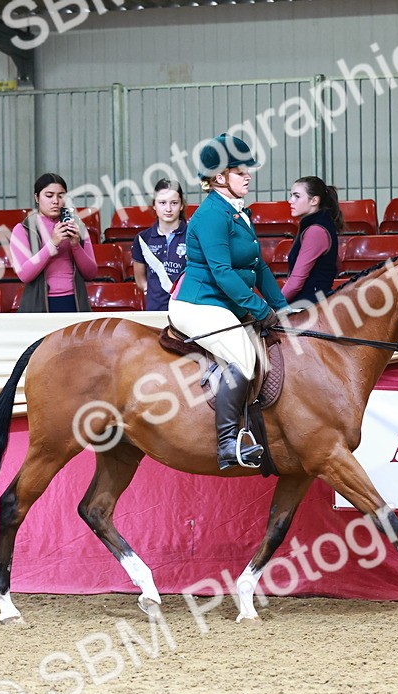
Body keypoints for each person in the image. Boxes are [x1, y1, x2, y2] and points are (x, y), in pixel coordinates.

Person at [167, 133, 289, 470]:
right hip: (198, 304)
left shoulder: (238, 212)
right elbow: (221, 272)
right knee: (244, 355)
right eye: (240, 171)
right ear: (219, 177)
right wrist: (260, 309)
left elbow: (258, 265)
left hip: (225, 304)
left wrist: (282, 307)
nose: (248, 175)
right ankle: (226, 444)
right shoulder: (210, 215)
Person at [9, 172, 96, 313]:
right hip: (38, 304)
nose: (55, 201)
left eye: (61, 196)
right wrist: (52, 244)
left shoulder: (77, 225)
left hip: (75, 302)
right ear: (36, 197)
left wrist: (75, 245)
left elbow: (91, 273)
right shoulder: (23, 229)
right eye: (49, 196)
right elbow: (24, 275)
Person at [282, 176, 343, 305]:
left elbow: (296, 282)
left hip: (308, 307)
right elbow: (337, 265)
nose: (290, 201)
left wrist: (272, 306)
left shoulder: (315, 231)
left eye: (297, 196)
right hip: (316, 303)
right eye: (291, 195)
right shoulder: (322, 224)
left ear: (314, 200)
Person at [131, 179, 188, 311]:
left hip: (186, 310)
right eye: (162, 203)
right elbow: (140, 278)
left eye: (174, 203)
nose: (168, 209)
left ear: (181, 205)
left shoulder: (193, 236)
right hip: (154, 310)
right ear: (154, 205)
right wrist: (150, 291)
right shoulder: (142, 239)